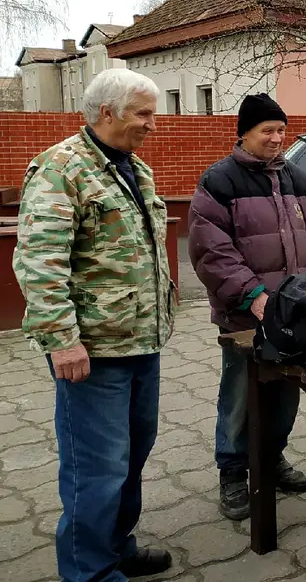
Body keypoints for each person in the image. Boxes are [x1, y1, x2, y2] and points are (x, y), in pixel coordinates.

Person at [13, 69, 175, 581]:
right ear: (107, 112)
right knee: (97, 465)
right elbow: (40, 263)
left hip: (141, 339)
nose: (153, 124)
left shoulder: (134, 169)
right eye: (143, 113)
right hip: (93, 350)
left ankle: (114, 545)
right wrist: (62, 341)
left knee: (132, 453)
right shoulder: (62, 169)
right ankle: (89, 572)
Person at [188, 93, 306, 520]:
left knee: (286, 392)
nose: (276, 139)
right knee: (239, 396)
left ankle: (271, 459)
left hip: (295, 313)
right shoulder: (219, 182)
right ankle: (233, 474)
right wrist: (254, 297)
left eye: (281, 131)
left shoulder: (300, 180)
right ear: (245, 134)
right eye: (267, 131)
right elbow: (211, 251)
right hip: (244, 316)